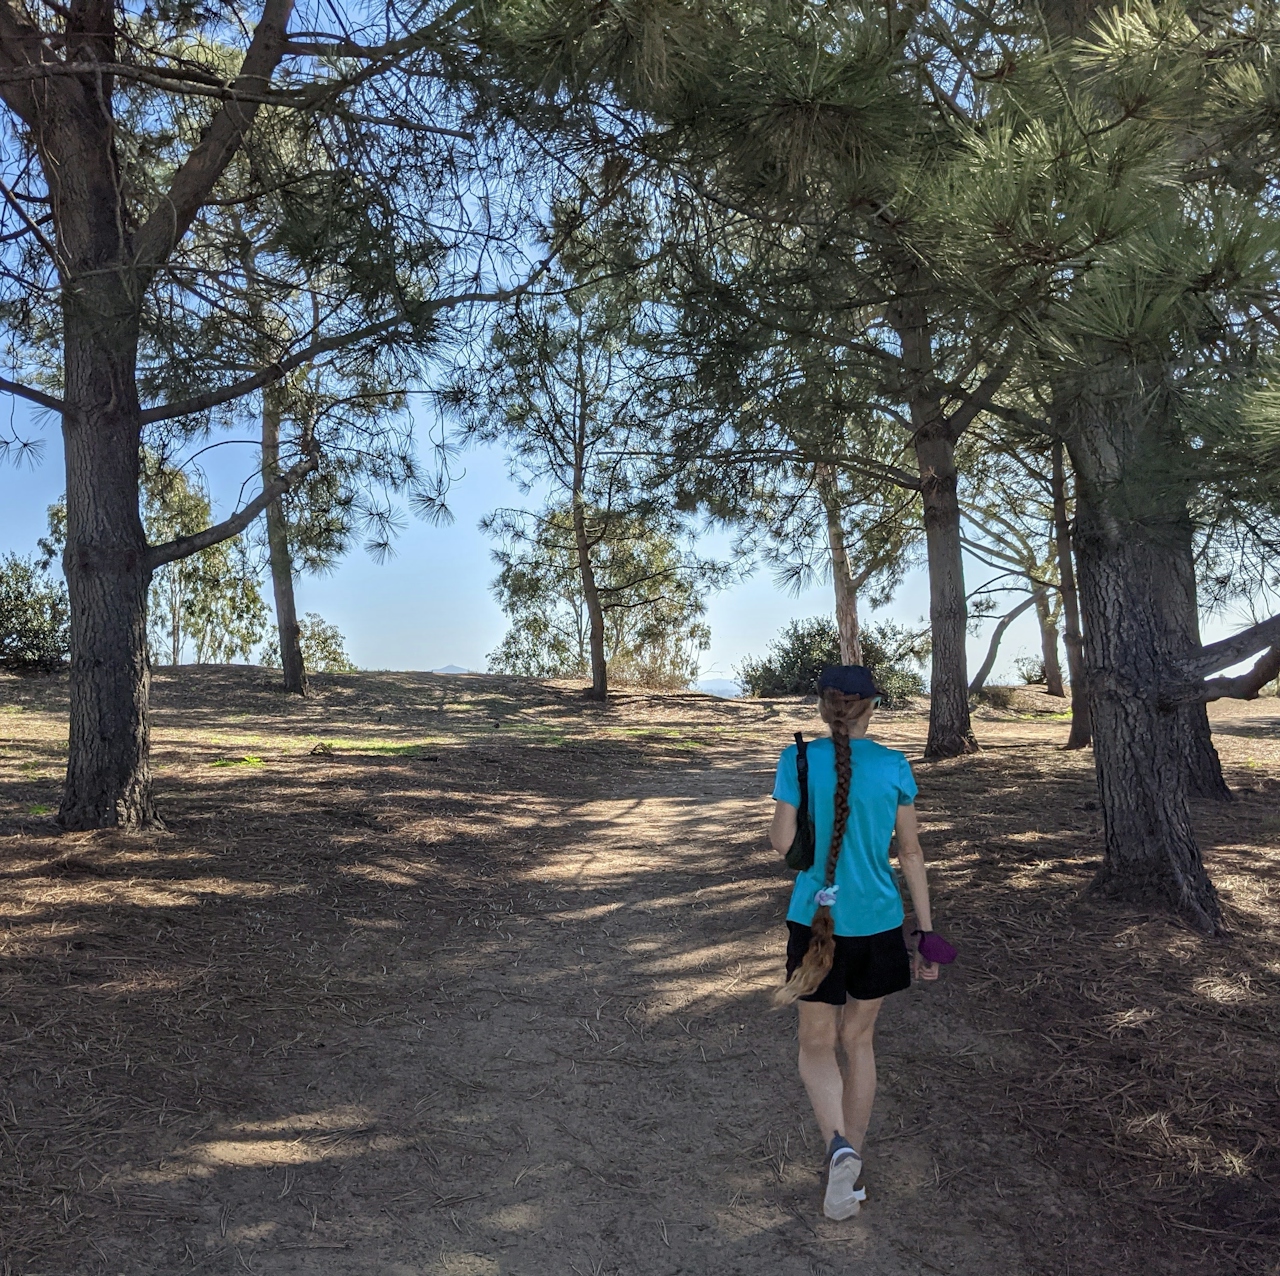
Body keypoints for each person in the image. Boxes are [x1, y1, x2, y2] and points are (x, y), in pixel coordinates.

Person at [768, 664, 940, 1221]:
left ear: (824, 706)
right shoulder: (894, 766)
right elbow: (910, 853)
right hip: (881, 924)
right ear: (871, 706)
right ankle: (851, 1164)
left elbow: (782, 844)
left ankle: (835, 1143)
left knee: (816, 1044)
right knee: (858, 1041)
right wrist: (927, 933)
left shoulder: (798, 760)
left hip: (812, 924)